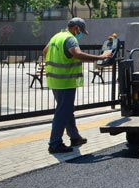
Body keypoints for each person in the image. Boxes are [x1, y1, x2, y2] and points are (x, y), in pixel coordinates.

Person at [44, 17, 112, 154]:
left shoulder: (56, 36)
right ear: (76, 28)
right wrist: (101, 57)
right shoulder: (70, 39)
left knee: (67, 109)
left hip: (55, 80)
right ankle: (54, 144)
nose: (80, 34)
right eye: (80, 31)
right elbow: (78, 54)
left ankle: (75, 137)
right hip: (65, 82)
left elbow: (45, 52)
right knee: (62, 112)